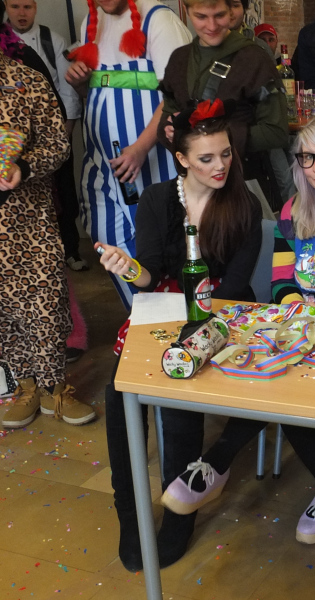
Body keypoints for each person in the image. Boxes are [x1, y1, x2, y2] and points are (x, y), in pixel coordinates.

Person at [163, 115, 315, 548]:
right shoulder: (293, 210)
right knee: (277, 369)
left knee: (288, 379)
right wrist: (300, 318)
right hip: (303, 329)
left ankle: (218, 462)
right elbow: (280, 285)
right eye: (307, 157)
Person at [98, 101, 263, 572]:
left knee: (177, 396)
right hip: (163, 308)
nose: (220, 166)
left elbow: (233, 289)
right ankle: (129, 511)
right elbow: (149, 275)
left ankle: (180, 510)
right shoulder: (156, 199)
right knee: (118, 394)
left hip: (223, 313)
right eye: (206, 158)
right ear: (182, 158)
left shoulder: (245, 204)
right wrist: (129, 268)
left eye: (225, 154)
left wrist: (193, 339)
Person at [0, 6, 96, 431]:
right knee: (3, 311)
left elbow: (58, 143)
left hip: (30, 217)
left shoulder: (25, 80)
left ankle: (54, 388)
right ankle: (24, 387)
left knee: (44, 300)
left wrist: (23, 165)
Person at [66, 0, 191, 310]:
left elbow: (178, 95)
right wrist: (80, 85)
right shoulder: (89, 23)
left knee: (160, 244)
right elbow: (98, 96)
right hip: (101, 163)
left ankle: (172, 320)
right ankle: (143, 320)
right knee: (107, 240)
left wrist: (140, 148)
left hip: (153, 163)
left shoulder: (159, 20)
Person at [158, 0, 288, 216]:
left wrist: (216, 140)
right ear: (188, 12)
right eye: (201, 17)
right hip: (192, 191)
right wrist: (172, 130)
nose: (211, 25)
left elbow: (276, 132)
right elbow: (166, 121)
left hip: (245, 183)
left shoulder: (254, 58)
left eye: (219, 15)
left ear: (231, 12)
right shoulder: (179, 59)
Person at [6, 0, 86, 272]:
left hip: (52, 128)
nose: (21, 13)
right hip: (15, 143)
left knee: (63, 192)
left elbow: (67, 89)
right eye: (15, 6)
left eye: (27, 6)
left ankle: (70, 249)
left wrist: (65, 131)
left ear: (36, 8)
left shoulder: (52, 41)